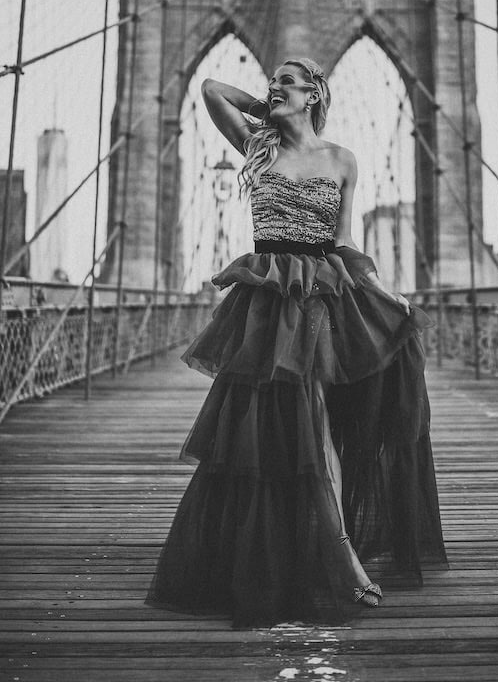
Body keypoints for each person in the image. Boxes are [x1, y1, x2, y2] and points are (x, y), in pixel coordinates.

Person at [146, 56, 447, 627]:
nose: (273, 87)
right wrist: (268, 111)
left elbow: (344, 242)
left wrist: (386, 294)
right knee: (297, 423)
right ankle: (343, 561)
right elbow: (210, 89)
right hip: (267, 302)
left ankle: (335, 554)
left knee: (316, 422)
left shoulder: (342, 160)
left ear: (315, 93)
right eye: (271, 81)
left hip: (322, 299)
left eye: (287, 81)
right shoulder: (257, 146)